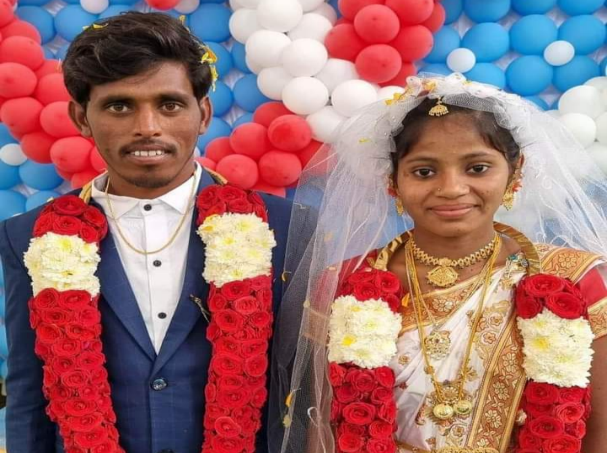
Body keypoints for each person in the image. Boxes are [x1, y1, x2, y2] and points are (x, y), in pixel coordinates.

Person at [0, 12, 292, 453]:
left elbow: (303, 388)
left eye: (169, 104)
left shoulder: (283, 226)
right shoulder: (29, 236)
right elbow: (29, 392)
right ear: (81, 118)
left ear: (203, 114)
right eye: (119, 106)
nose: (147, 127)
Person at [270, 74, 607, 453]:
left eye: (477, 168)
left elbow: (599, 430)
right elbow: (324, 424)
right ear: (393, 181)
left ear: (515, 172)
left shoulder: (571, 278)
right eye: (424, 172)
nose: (451, 188)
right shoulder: (346, 282)